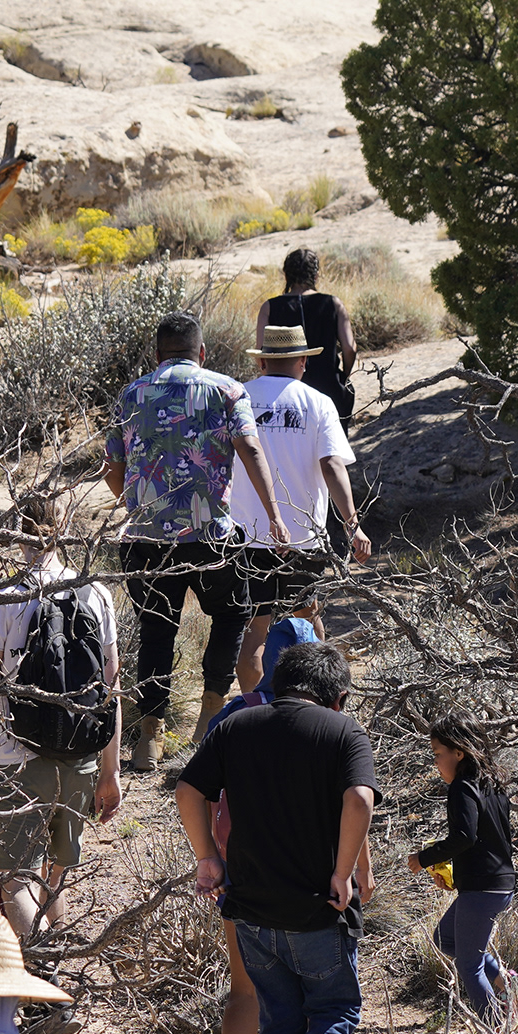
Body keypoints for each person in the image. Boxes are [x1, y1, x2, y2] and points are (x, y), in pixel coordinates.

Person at [171, 639, 377, 1034]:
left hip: (251, 909)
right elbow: (358, 799)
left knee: (280, 1021)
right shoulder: (343, 732)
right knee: (335, 1011)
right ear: (338, 696)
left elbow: (188, 790)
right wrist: (344, 871)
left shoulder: (238, 726)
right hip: (315, 908)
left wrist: (208, 860)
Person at [104, 312, 287, 775]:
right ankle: (208, 717)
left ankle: (149, 735)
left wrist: (139, 504)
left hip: (146, 537)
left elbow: (113, 469)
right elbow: (250, 449)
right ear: (201, 353)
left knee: (156, 628)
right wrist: (274, 514)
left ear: (157, 354)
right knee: (231, 614)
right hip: (209, 535)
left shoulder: (132, 394)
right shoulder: (226, 390)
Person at [0, 489, 124, 945]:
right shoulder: (97, 593)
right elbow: (110, 687)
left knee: (17, 881)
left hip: (17, 756)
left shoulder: (5, 597)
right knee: (53, 876)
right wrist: (112, 771)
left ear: (16, 531)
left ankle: (49, 983)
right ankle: (55, 979)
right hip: (82, 757)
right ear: (66, 530)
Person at [197, 615, 319, 1034]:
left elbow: (203, 795)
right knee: (310, 987)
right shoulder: (323, 716)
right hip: (306, 868)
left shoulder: (230, 716)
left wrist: (210, 856)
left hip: (240, 866)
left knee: (244, 987)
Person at [230, 321, 372, 623]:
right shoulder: (319, 403)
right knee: (308, 616)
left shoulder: (238, 397)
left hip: (249, 533)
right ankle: (316, 672)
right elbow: (332, 466)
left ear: (261, 360)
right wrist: (352, 525)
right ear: (304, 361)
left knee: (255, 625)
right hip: (303, 534)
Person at [408, 717, 518, 1020]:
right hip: (498, 883)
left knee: (468, 966)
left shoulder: (462, 787)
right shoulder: (492, 785)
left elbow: (464, 837)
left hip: (483, 888)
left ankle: (497, 1032)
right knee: (445, 938)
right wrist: (455, 876)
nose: (436, 761)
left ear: (459, 753)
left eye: (437, 753)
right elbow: (488, 839)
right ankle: (513, 984)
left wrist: (424, 858)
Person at [261, 248, 357, 424]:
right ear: (316, 275)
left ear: (286, 274)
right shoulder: (334, 304)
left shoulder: (269, 307)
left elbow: (261, 354)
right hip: (330, 387)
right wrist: (344, 376)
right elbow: (350, 348)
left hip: (286, 393)